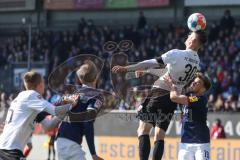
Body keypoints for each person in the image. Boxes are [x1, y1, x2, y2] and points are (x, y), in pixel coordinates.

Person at [112, 30, 207, 160]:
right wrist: (147, 71)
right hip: (172, 100)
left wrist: (128, 68)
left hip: (159, 92)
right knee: (159, 135)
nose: (187, 37)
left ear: (193, 41)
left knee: (143, 130)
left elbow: (150, 61)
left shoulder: (176, 53)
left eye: (189, 36)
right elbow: (170, 72)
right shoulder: (196, 62)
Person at [0, 71, 78, 160]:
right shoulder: (32, 95)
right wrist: (72, 105)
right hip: (11, 152)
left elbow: (48, 126)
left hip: (5, 148)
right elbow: (55, 110)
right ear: (41, 84)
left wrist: (66, 111)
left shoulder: (24, 99)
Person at [55, 60, 104, 160]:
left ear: (80, 80)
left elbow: (57, 104)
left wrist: (63, 99)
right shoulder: (96, 96)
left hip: (60, 140)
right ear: (96, 77)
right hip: (71, 143)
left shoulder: (75, 94)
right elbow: (87, 122)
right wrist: (93, 153)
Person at [164, 72, 211, 160]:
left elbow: (174, 97)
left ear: (203, 89)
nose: (194, 82)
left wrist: (171, 85)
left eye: (198, 82)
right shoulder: (189, 95)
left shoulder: (200, 99)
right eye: (194, 81)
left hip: (201, 143)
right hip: (185, 142)